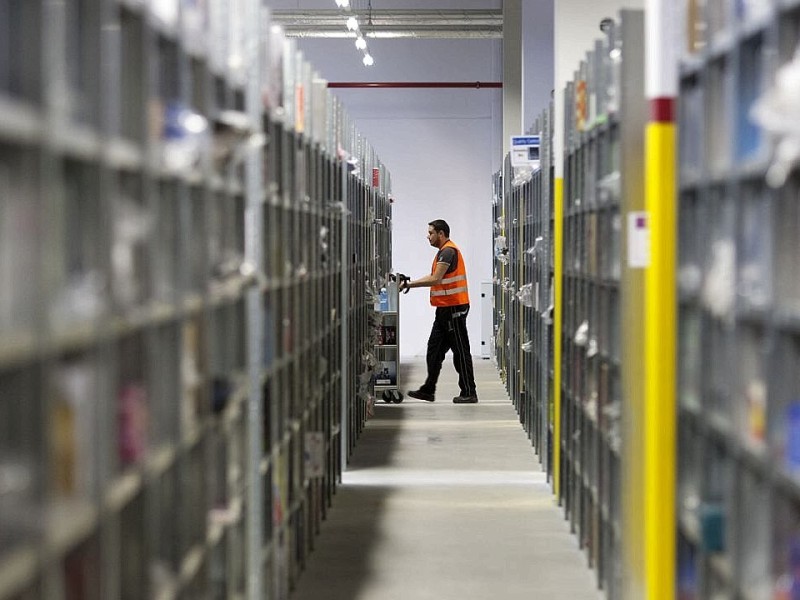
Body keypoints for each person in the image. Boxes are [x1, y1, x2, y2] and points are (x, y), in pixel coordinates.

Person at [399, 219, 478, 404]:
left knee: (460, 352)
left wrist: (408, 284)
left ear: (441, 234)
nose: (428, 236)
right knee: (433, 350)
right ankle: (428, 389)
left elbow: (435, 279)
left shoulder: (449, 251)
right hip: (444, 309)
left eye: (431, 233)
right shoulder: (443, 252)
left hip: (454, 309)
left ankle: (469, 391)